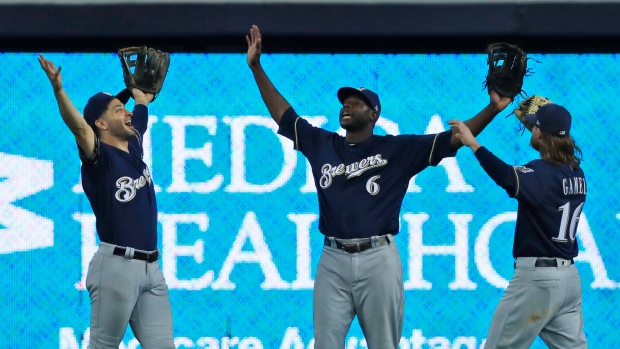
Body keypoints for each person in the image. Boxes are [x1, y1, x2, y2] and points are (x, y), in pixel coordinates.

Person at [245, 25, 512, 349]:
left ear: (374, 114)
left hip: (378, 258)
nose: (346, 105)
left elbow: (455, 137)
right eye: (345, 101)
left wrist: (493, 109)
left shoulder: (396, 150)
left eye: (356, 103)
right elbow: (285, 116)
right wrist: (257, 67)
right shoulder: (322, 143)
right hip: (332, 258)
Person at [38, 54, 176, 349]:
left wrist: (141, 100)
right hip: (116, 266)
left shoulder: (133, 145)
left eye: (124, 108)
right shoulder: (99, 158)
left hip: (152, 270)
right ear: (100, 123)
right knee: (103, 346)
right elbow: (78, 127)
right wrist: (59, 91)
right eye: (117, 110)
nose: (126, 113)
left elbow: (140, 114)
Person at [448, 103, 587, 349]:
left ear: (540, 133)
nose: (532, 128)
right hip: (568, 280)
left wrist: (473, 143)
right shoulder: (576, 173)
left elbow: (505, 176)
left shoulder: (541, 173)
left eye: (535, 126)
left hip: (538, 281)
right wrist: (544, 126)